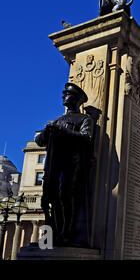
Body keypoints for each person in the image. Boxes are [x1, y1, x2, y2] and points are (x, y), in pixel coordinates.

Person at [35, 83, 93, 246]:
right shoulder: (57, 120)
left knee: (64, 196)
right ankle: (48, 238)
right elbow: (39, 141)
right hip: (52, 165)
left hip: (70, 163)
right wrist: (46, 131)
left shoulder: (83, 119)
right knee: (47, 200)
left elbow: (86, 137)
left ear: (76, 99)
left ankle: (66, 232)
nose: (63, 97)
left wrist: (63, 132)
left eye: (67, 94)